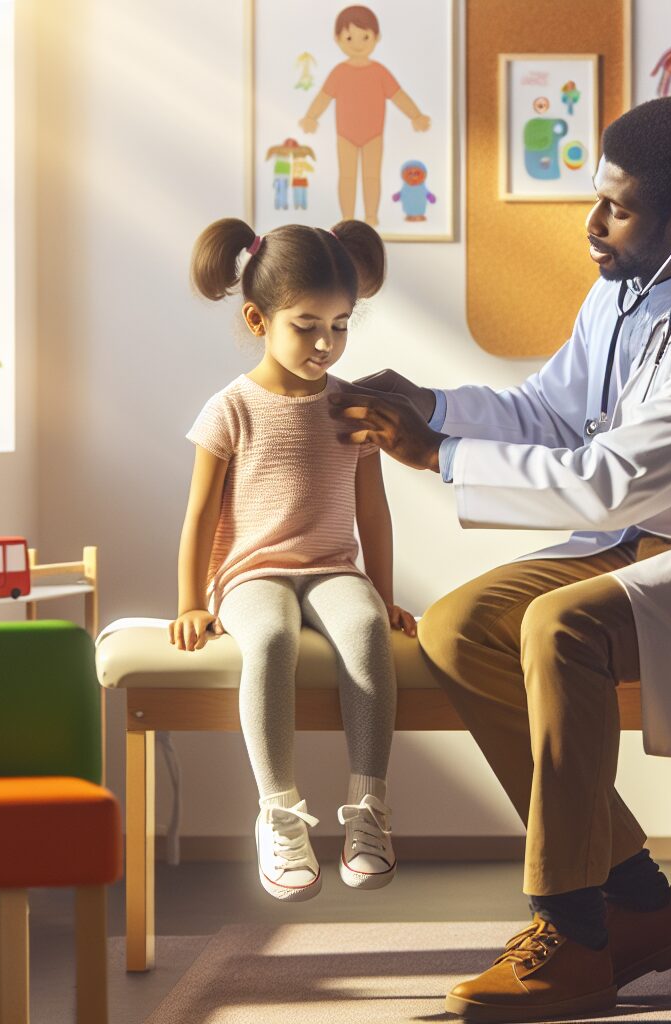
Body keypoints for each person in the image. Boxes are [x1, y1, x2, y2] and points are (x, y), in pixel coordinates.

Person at [328, 95, 671, 1022]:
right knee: (461, 624)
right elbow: (552, 413)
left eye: (618, 208)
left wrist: (437, 454)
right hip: (646, 537)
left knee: (557, 624)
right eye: (596, 198)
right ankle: (638, 899)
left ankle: (571, 930)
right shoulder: (622, 292)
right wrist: (431, 403)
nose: (592, 226)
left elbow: (608, 482)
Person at [168, 217, 416, 903]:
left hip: (333, 567)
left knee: (366, 631)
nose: (325, 343)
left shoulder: (352, 408)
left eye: (340, 326)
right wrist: (191, 601)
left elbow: (374, 512)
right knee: (271, 639)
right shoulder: (231, 410)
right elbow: (199, 516)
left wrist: (385, 595)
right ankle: (278, 813)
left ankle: (368, 811)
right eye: (307, 325)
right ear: (258, 318)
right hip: (251, 574)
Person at [298, 5, 431, 226]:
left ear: (376, 37)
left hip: (373, 135)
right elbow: (323, 97)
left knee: (371, 177)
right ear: (337, 38)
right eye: (350, 38)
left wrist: (415, 115)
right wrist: (311, 117)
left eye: (365, 36)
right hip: (345, 136)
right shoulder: (339, 72)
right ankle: (347, 218)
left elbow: (398, 96)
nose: (358, 44)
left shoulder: (379, 72)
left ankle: (371, 216)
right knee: (347, 177)